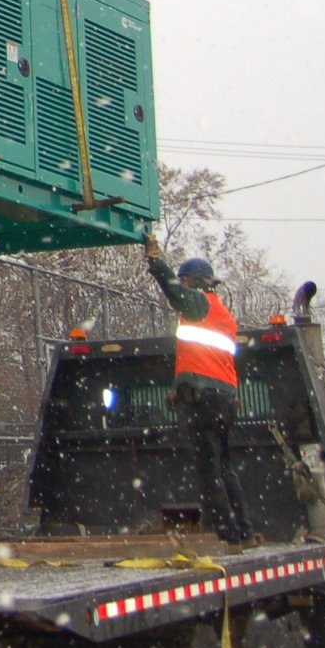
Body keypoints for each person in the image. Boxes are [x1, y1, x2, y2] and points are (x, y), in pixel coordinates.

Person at [146, 230, 252, 545]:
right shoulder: (222, 314)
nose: (184, 287)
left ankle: (225, 532)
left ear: (193, 282)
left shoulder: (200, 303)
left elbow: (174, 292)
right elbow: (205, 361)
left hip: (203, 402)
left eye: (186, 281)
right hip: (223, 400)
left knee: (208, 469)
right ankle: (242, 526)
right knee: (224, 466)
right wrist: (181, 385)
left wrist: (156, 263)